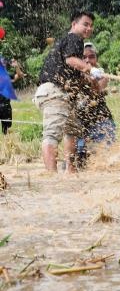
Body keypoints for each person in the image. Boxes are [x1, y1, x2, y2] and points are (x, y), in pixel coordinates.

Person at [33, 11, 98, 172]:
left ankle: (71, 171)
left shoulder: (68, 42)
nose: (88, 28)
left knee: (73, 130)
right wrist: (90, 69)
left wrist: (90, 79)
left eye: (91, 26)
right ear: (74, 25)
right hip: (54, 92)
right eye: (85, 24)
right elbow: (71, 60)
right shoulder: (74, 38)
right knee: (52, 134)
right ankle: (52, 176)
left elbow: (72, 70)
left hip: (59, 94)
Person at [68, 43, 116, 169]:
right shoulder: (71, 75)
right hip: (80, 124)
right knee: (78, 161)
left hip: (101, 122)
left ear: (96, 59)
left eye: (92, 56)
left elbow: (97, 89)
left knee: (105, 159)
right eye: (84, 57)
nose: (88, 60)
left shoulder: (102, 74)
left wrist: (91, 77)